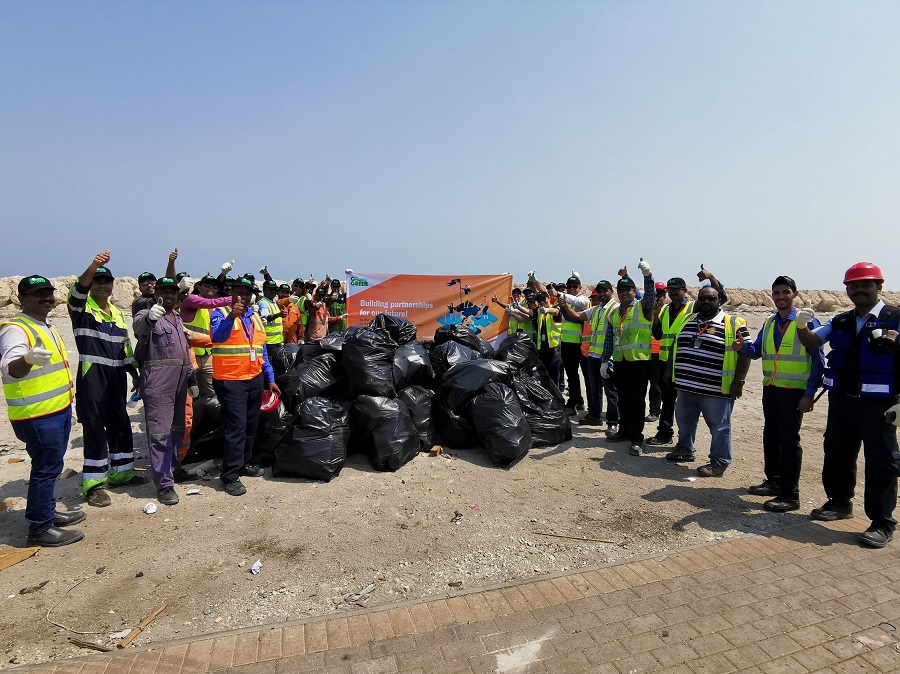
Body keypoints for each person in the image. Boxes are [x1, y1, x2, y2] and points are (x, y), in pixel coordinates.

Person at [797, 262, 900, 548]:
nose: (859, 289)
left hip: (880, 406)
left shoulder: (896, 319)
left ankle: (882, 522)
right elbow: (811, 340)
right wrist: (801, 324)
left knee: (881, 462)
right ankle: (840, 502)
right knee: (837, 454)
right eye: (853, 285)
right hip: (842, 401)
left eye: (866, 284)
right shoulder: (841, 321)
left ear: (879, 286)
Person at [0, 276, 83, 547]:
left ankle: (45, 513)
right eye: (38, 294)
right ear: (22, 298)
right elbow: (11, 368)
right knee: (46, 468)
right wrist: (27, 359)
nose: (47, 298)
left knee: (51, 465)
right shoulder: (16, 329)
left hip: (55, 410)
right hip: (36, 415)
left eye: (49, 292)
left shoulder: (43, 324)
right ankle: (40, 528)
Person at [735, 275, 823, 512]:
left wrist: (810, 393)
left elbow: (818, 361)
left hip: (794, 393)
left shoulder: (806, 323)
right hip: (771, 389)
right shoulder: (770, 322)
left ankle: (790, 495)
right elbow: (756, 352)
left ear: (794, 294)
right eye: (776, 293)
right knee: (771, 438)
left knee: (789, 442)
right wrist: (741, 347)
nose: (781, 297)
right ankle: (773, 481)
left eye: (786, 292)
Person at [68, 252, 148, 507]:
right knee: (94, 427)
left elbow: (125, 348)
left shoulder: (116, 313)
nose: (103, 285)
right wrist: (93, 266)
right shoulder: (82, 309)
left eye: (107, 281)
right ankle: (94, 484)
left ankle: (122, 473)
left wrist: (134, 373)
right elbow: (77, 291)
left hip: (116, 377)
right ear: (91, 285)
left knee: (120, 423)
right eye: (98, 281)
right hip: (92, 375)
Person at [663, 285, 751, 476]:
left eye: (711, 299)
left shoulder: (734, 323)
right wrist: (669, 371)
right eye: (702, 298)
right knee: (684, 421)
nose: (706, 302)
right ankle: (685, 449)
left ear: (719, 300)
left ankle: (719, 461)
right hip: (686, 385)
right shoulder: (687, 320)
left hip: (716, 389)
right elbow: (674, 345)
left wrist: (739, 382)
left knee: (719, 426)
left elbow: (746, 354)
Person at [210, 276, 281, 496]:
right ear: (232, 292)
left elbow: (262, 351)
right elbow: (217, 337)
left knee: (252, 425)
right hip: (231, 380)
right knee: (236, 427)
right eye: (240, 291)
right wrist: (232, 316)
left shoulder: (256, 317)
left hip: (254, 379)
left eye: (248, 292)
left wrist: (269, 378)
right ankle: (229, 475)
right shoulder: (221, 313)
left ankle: (243, 463)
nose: (244, 296)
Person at [133, 277, 198, 505]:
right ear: (156, 293)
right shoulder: (148, 314)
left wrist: (191, 378)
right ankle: (164, 484)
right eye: (164, 291)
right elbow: (139, 327)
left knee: (177, 429)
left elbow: (183, 352)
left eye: (173, 292)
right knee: (160, 434)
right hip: (159, 384)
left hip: (179, 384)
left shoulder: (177, 318)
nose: (169, 295)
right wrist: (151, 317)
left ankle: (174, 469)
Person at [600, 260, 656, 456]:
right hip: (621, 363)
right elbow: (610, 337)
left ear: (634, 291)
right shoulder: (614, 313)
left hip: (639, 363)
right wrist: (605, 359)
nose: (624, 292)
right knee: (623, 399)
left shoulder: (643, 307)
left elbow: (651, 295)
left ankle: (636, 438)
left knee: (637, 401)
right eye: (621, 290)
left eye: (628, 289)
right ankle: (623, 431)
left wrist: (647, 276)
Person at [560, 281, 619, 431]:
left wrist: (609, 357)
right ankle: (595, 416)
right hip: (593, 355)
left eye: (604, 291)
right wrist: (565, 306)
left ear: (611, 292)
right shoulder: (595, 310)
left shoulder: (615, 309)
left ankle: (612, 421)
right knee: (594, 388)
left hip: (606, 356)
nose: (601, 294)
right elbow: (578, 316)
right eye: (599, 292)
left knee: (610, 390)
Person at [180, 273, 234, 398]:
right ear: (199, 287)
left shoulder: (216, 308)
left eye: (214, 287)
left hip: (208, 355)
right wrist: (235, 297)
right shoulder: (191, 300)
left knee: (211, 393)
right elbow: (212, 302)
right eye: (208, 285)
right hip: (190, 354)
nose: (211, 288)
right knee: (188, 393)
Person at [556, 276, 591, 413]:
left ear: (580, 288)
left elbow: (577, 306)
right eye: (569, 286)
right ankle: (575, 402)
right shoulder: (566, 301)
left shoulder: (583, 300)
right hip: (567, 343)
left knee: (587, 376)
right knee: (571, 375)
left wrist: (561, 295)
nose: (571, 289)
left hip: (580, 344)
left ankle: (591, 408)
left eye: (574, 286)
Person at [646, 282, 668, 424]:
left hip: (660, 352)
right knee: (647, 383)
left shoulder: (667, 310)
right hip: (646, 352)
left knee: (657, 384)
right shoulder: (646, 309)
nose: (657, 297)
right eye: (656, 294)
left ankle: (655, 411)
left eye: (660, 294)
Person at [531, 291, 562, 388]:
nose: (542, 302)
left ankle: (556, 395)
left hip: (554, 346)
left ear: (548, 298)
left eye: (544, 299)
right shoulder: (540, 312)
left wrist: (547, 310)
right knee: (544, 371)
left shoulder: (554, 308)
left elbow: (556, 312)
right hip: (543, 346)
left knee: (554, 371)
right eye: (539, 300)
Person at [257, 279, 285, 359]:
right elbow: (266, 317)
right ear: (264, 290)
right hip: (269, 342)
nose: (273, 292)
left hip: (277, 341)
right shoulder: (263, 303)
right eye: (271, 289)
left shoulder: (273, 303)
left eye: (275, 290)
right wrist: (279, 315)